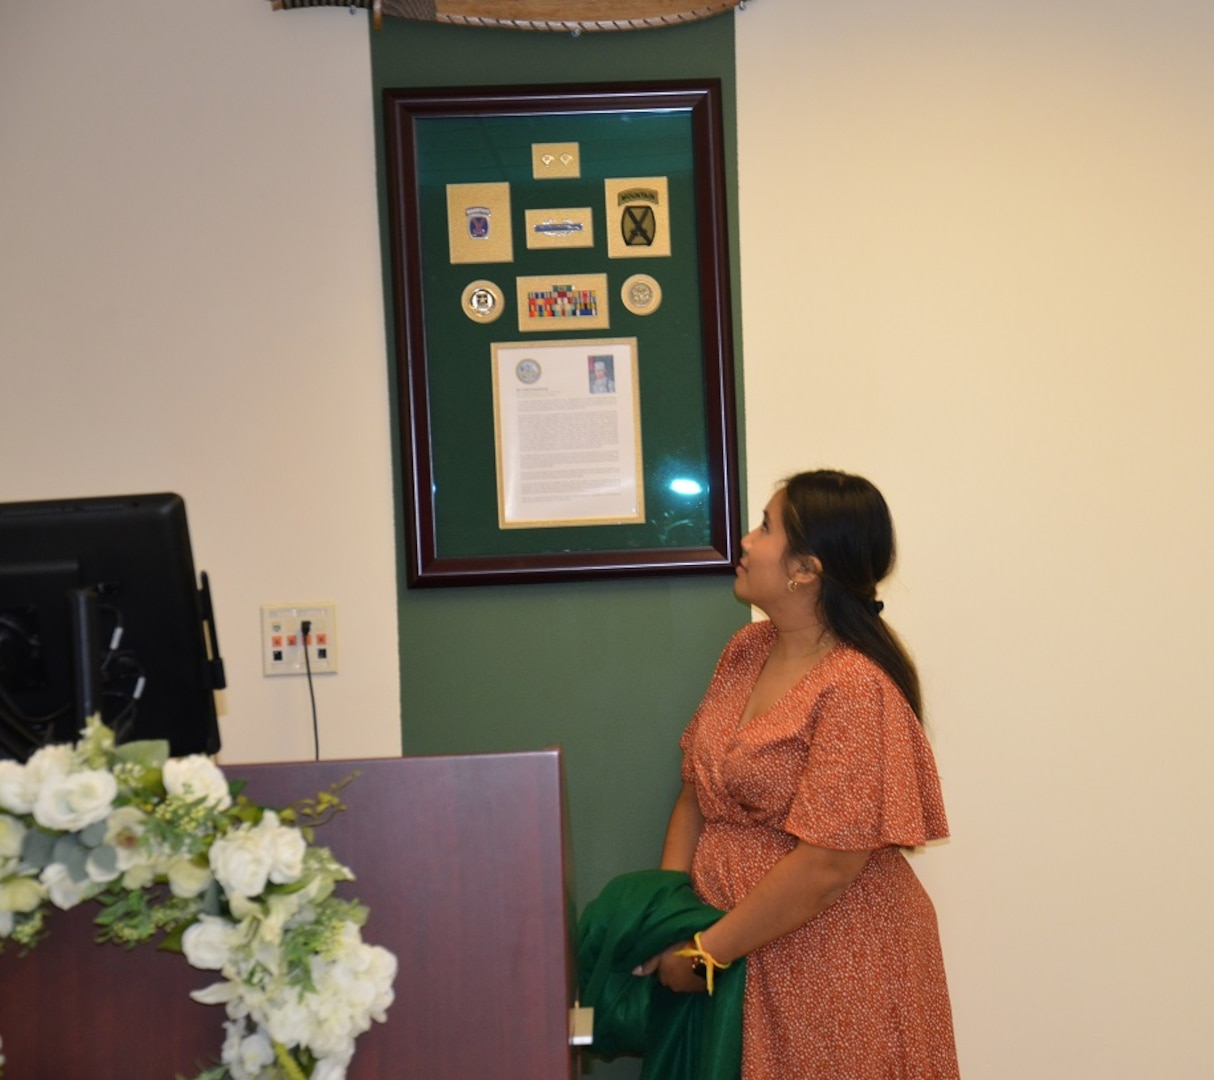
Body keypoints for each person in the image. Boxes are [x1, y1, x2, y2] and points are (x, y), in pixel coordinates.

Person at [637, 469, 959, 1079]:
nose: (746, 540)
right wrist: (667, 919)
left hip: (832, 966)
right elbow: (694, 796)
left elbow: (828, 866)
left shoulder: (856, 686)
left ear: (805, 569)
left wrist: (707, 956)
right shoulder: (744, 651)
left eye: (764, 526)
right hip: (728, 949)